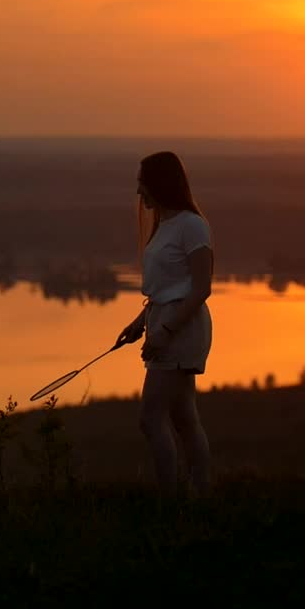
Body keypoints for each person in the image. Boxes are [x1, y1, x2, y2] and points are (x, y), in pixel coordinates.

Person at [116, 152, 214, 496]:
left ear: (158, 183)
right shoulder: (165, 224)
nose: (138, 191)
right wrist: (141, 322)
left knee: (151, 418)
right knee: (184, 417)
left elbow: (200, 288)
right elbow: (165, 288)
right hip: (164, 323)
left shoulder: (192, 226)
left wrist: (165, 331)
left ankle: (170, 499)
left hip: (180, 329)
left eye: (142, 182)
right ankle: (199, 494)